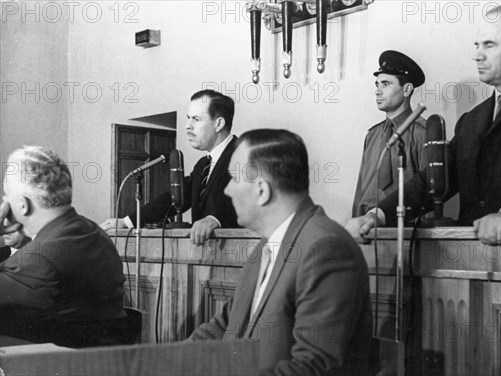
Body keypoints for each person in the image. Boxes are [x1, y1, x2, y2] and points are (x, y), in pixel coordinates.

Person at [346, 4, 501, 245]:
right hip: (471, 258)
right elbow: (434, 176)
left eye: (489, 45)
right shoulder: (473, 119)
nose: (478, 55)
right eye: (477, 45)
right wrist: (378, 214)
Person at [188, 129, 376, 375]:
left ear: (262, 190)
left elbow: (313, 366)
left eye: (233, 179)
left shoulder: (327, 249)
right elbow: (225, 323)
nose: (227, 191)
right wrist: (167, 362)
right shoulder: (265, 247)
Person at [0, 146, 127, 347]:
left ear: (23, 205)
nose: (3, 202)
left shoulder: (39, 259)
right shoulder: (95, 232)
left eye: (6, 195)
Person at [101, 89, 239, 245]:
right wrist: (126, 222)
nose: (187, 126)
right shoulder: (202, 165)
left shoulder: (247, 156)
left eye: (196, 119)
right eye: (188, 118)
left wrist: (216, 219)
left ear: (219, 124)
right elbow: (174, 198)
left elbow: (258, 201)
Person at [352, 50, 427, 217]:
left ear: (407, 89)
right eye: (377, 85)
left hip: (403, 229)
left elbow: (428, 190)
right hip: (368, 229)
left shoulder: (422, 133)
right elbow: (360, 191)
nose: (378, 91)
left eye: (385, 84)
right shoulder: (373, 135)